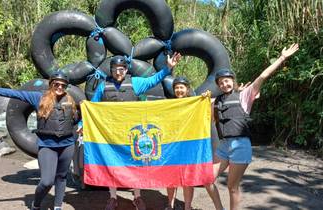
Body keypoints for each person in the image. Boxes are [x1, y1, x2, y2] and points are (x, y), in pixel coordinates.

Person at [205, 43, 299, 210]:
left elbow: (263, 76)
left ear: (232, 81)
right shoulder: (216, 101)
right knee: (207, 179)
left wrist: (282, 58)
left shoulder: (244, 95)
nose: (224, 84)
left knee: (232, 187)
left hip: (240, 145)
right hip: (224, 146)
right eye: (220, 82)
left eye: (226, 81)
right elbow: (199, 109)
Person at [0, 71, 81, 210]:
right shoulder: (38, 97)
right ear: (51, 84)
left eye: (63, 85)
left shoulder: (71, 101)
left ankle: (57, 206)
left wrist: (81, 125)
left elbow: (84, 114)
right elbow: (15, 94)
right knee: (47, 181)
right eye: (56, 84)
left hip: (67, 145)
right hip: (47, 146)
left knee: (61, 177)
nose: (60, 87)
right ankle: (36, 204)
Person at [91, 53, 182, 210]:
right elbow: (91, 107)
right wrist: (81, 123)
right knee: (111, 164)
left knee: (135, 164)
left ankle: (137, 196)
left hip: (132, 134)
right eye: (115, 69)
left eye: (121, 69)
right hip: (111, 133)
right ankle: (113, 197)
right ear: (111, 70)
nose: (118, 72)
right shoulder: (103, 86)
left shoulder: (135, 83)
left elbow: (153, 80)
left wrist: (168, 68)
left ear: (126, 70)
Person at [165, 76, 195, 210]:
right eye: (176, 87)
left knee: (188, 179)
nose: (179, 90)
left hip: (188, 146)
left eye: (181, 87)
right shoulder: (169, 105)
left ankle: (187, 206)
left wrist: (205, 98)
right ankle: (170, 205)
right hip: (172, 147)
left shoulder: (193, 103)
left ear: (187, 89)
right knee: (170, 178)